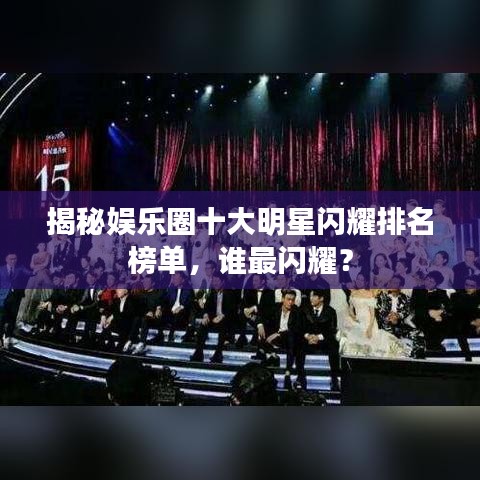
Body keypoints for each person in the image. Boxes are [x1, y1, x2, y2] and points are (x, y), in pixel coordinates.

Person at [338, 279, 409, 358]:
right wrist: (354, 317)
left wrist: (370, 328)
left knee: (372, 341)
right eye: (358, 280)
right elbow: (351, 309)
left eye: (361, 280)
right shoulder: (353, 293)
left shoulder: (369, 294)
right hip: (359, 320)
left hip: (370, 321)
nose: (359, 282)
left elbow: (373, 314)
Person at [252, 290, 303, 390]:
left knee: (291, 337)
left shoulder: (297, 311)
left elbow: (296, 329)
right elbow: (261, 314)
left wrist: (278, 334)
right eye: (288, 299)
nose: (290, 302)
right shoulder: (275, 307)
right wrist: (260, 325)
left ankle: (287, 372)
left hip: (288, 339)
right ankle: (272, 356)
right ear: (283, 299)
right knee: (262, 330)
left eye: (292, 300)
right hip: (276, 337)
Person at [190, 273, 238, 364]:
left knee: (224, 325)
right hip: (214, 318)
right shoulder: (212, 292)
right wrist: (205, 315)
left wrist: (222, 316)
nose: (215, 283)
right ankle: (198, 353)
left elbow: (232, 310)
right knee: (203, 325)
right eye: (213, 281)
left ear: (222, 282)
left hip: (226, 319)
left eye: (217, 281)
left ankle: (218, 354)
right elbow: (207, 306)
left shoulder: (230, 292)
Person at [297, 290, 340, 391]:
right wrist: (308, 336)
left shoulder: (331, 311)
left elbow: (332, 330)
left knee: (334, 345)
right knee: (298, 344)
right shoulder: (305, 310)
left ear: (321, 298)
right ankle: (300, 378)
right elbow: (300, 327)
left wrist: (318, 337)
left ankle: (334, 379)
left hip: (323, 340)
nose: (311, 298)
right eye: (310, 296)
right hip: (308, 340)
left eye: (313, 296)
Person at [375, 275, 426, 359]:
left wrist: (397, 317)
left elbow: (406, 312)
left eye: (395, 283)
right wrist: (390, 317)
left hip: (400, 324)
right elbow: (380, 311)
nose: (392, 284)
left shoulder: (406, 298)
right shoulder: (382, 297)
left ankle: (417, 356)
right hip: (386, 324)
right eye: (391, 282)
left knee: (418, 333)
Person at [410, 271, 451, 351]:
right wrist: (428, 312)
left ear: (436, 284)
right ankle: (432, 345)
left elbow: (449, 307)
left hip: (436, 316)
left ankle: (434, 344)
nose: (428, 282)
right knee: (427, 321)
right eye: (427, 279)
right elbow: (413, 305)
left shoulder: (441, 292)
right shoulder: (417, 290)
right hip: (421, 315)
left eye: (431, 281)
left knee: (445, 321)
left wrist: (440, 312)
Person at [0, 253, 31, 348]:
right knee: (1, 318)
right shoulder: (1, 269)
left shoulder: (20, 268)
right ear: (6, 259)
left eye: (15, 259)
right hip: (2, 297)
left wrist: (39, 269)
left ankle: (9, 337)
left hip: (15, 297)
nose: (13, 260)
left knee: (12, 318)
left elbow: (30, 273)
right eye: (11, 259)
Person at [239, 273, 275, 348]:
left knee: (263, 319)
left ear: (263, 281)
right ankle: (242, 337)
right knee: (242, 313)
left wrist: (255, 308)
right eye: (253, 281)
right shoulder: (250, 291)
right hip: (252, 317)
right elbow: (242, 304)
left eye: (256, 281)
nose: (254, 283)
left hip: (263, 318)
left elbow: (268, 310)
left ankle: (255, 340)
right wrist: (245, 309)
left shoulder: (270, 292)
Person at [100, 286, 141, 352]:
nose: (117, 291)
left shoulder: (132, 300)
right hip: (119, 324)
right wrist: (103, 316)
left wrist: (113, 316)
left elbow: (127, 315)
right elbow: (109, 309)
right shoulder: (117, 300)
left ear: (126, 291)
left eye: (119, 289)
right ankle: (110, 344)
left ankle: (120, 346)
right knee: (105, 326)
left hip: (128, 327)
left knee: (114, 324)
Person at [450, 276, 480, 362]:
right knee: (460, 328)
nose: (468, 287)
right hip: (464, 322)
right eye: (466, 285)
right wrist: (473, 321)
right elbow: (457, 312)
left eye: (471, 286)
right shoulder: (456, 296)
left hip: (476, 321)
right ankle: (468, 356)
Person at [425, 200, 455, 265]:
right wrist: (432, 240)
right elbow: (427, 233)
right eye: (434, 207)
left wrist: (443, 237)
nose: (435, 209)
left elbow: (453, 233)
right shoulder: (429, 219)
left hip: (445, 243)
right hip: (433, 243)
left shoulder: (447, 219)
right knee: (433, 261)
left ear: (443, 209)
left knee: (445, 261)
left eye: (438, 207)